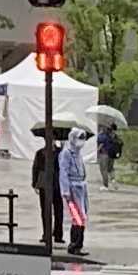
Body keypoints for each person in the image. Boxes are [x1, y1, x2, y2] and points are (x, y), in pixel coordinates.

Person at [30, 111, 65, 252]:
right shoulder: (40, 153)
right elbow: (35, 168)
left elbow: (63, 168)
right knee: (45, 210)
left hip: (57, 183)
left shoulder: (60, 153)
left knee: (58, 209)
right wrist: (34, 183)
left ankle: (58, 233)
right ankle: (46, 233)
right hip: (44, 183)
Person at [57, 119, 91, 260]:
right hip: (73, 187)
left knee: (82, 216)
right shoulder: (66, 153)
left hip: (81, 186)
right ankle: (75, 244)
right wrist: (65, 191)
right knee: (77, 217)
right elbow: (63, 172)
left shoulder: (77, 153)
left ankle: (78, 243)